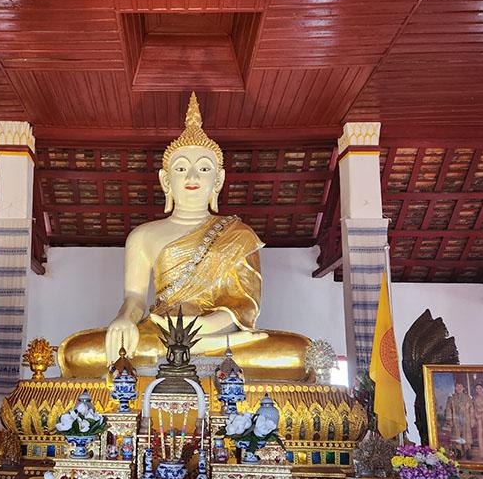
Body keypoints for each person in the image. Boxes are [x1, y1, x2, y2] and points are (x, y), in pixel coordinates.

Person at [58, 93, 311, 379]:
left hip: (220, 337)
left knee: (298, 353)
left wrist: (200, 330)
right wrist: (124, 320)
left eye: (204, 168)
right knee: (78, 352)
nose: (192, 177)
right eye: (181, 169)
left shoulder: (239, 235)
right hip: (158, 332)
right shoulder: (143, 235)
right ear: (166, 180)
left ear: (218, 180)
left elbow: (244, 306)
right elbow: (134, 297)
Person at [444, 381, 474, 459]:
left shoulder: (468, 398)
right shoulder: (451, 398)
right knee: (457, 436)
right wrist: (449, 419)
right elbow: (448, 409)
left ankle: (468, 451)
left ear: (463, 388)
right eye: (457, 386)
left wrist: (472, 420)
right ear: (455, 388)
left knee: (466, 436)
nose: (459, 388)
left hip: (466, 420)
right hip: (456, 420)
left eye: (461, 386)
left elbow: (472, 410)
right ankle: (459, 451)